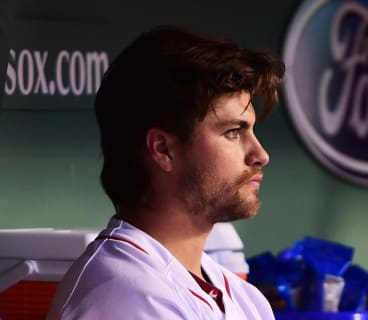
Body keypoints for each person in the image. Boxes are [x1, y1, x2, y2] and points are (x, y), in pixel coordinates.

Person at [47, 25, 284, 319]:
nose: (260, 155)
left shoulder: (246, 300)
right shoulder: (126, 297)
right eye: (233, 132)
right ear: (162, 150)